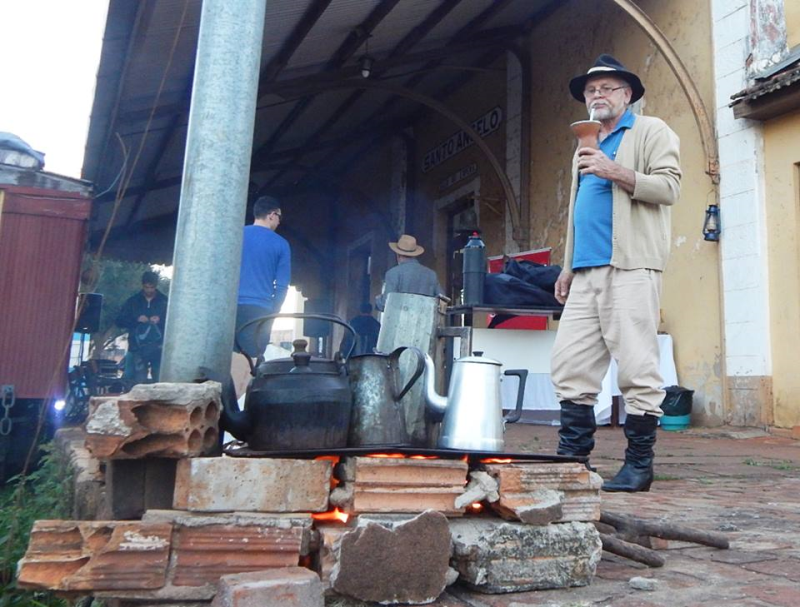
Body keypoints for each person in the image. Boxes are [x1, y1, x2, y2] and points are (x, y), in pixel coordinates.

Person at [550, 54, 682, 493]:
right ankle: (573, 462)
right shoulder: (585, 145)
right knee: (570, 365)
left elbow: (669, 187)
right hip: (586, 272)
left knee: (638, 366)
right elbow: (576, 214)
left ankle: (638, 466)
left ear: (627, 94)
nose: (597, 96)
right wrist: (567, 267)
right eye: (591, 91)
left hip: (631, 266)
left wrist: (616, 171)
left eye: (607, 88)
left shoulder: (650, 131)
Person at [235, 196, 291, 359]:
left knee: (225, 362)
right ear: (272, 214)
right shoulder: (281, 244)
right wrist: (274, 311)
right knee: (252, 362)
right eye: (279, 217)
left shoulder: (235, 236)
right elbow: (281, 286)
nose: (279, 222)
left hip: (229, 309)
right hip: (260, 311)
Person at [116, 270, 168, 382]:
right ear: (142, 285)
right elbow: (119, 321)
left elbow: (174, 322)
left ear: (156, 286)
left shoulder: (165, 302)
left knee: (159, 379)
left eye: (152, 287)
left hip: (158, 347)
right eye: (146, 287)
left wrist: (161, 320)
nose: (149, 290)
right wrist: (136, 320)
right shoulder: (132, 302)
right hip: (137, 347)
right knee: (134, 379)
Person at [375, 234, 443, 311]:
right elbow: (442, 301)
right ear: (415, 254)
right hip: (425, 321)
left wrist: (378, 300)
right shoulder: (431, 274)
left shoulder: (393, 273)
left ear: (398, 255)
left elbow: (386, 304)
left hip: (400, 321)